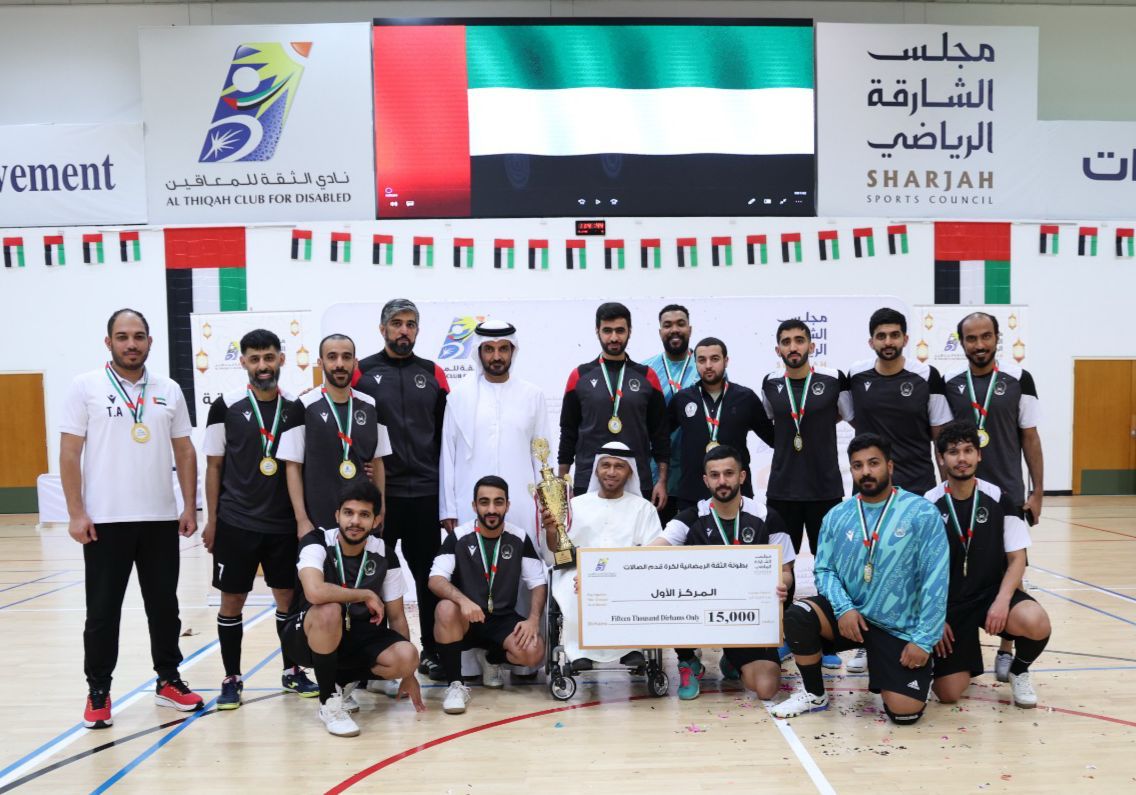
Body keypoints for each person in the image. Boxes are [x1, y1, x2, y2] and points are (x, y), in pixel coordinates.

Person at [60, 308, 203, 729]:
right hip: (105, 521)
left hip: (159, 519)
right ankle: (99, 690)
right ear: (109, 342)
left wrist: (188, 506)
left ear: (150, 342)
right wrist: (76, 513)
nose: (131, 343)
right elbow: (70, 452)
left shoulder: (169, 389)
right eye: (122, 336)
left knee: (165, 608)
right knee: (102, 612)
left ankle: (169, 680)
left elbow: (185, 450)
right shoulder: (84, 387)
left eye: (139, 336)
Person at [772, 434, 948, 725]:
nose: (865, 471)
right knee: (799, 614)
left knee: (905, 713)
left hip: (899, 628)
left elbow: (935, 579)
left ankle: (912, 669)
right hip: (853, 620)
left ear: (890, 466)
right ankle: (814, 693)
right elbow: (824, 570)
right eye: (857, 465)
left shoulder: (921, 512)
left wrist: (924, 640)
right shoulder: (837, 516)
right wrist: (844, 609)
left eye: (873, 463)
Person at [203, 329, 318, 708]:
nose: (263, 366)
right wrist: (212, 520)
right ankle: (232, 677)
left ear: (281, 359)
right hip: (236, 522)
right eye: (255, 359)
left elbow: (299, 466)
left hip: (282, 524)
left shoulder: (295, 409)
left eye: (269, 357)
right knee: (231, 601)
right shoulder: (225, 406)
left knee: (287, 599)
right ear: (243, 363)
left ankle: (291, 671)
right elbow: (215, 465)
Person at [844, 307, 951, 674]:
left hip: (917, 485)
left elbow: (940, 436)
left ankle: (921, 634)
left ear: (906, 339)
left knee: (915, 568)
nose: (887, 342)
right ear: (871, 340)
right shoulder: (856, 376)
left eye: (894, 335)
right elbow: (856, 421)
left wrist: (943, 487)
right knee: (867, 563)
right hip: (870, 490)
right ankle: (865, 643)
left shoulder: (926, 375)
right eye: (881, 336)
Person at [438, 319, 547, 680]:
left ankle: (511, 655)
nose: (496, 356)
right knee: (469, 577)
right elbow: (448, 456)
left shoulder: (532, 395)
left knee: (519, 577)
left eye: (503, 349)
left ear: (513, 351)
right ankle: (470, 660)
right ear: (479, 352)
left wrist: (546, 504)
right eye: (489, 349)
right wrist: (449, 509)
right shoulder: (460, 398)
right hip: (472, 502)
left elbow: (542, 453)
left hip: (521, 502)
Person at [280, 480, 425, 737]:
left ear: (376, 521)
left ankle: (343, 683)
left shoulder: (384, 554)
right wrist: (364, 594)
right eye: (348, 513)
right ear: (337, 515)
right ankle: (329, 704)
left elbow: (397, 616)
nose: (354, 521)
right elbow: (314, 591)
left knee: (407, 655)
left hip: (357, 634)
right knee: (329, 609)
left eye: (364, 515)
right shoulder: (316, 542)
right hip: (306, 635)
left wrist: (408, 674)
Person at [943, 312, 1043, 679]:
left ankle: (1007, 649)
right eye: (972, 338)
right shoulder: (951, 384)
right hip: (963, 499)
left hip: (1009, 497)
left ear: (998, 338)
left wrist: (1038, 492)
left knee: (1014, 570)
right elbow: (942, 442)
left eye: (986, 337)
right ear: (961, 343)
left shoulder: (1019, 379)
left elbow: (1030, 437)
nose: (980, 344)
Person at [649, 445, 793, 700]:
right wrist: (600, 577)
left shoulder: (767, 517)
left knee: (765, 688)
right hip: (700, 612)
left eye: (729, 473)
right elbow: (649, 554)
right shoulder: (690, 517)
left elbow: (786, 571)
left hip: (747, 618)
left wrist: (781, 583)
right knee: (668, 587)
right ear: (706, 480)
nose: (722, 481)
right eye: (715, 475)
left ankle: (733, 658)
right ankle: (687, 660)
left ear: (742, 477)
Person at [354, 298, 451, 679]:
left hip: (426, 494)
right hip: (381, 498)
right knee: (372, 578)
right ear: (382, 329)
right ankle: (369, 655)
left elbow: (447, 437)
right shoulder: (362, 373)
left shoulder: (433, 373)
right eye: (396, 323)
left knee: (429, 578)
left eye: (411, 324)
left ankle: (432, 652)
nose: (404, 330)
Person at [926, 421, 1051, 709]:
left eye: (969, 450)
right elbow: (920, 569)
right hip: (950, 605)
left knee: (1036, 621)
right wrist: (934, 616)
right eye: (954, 452)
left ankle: (1019, 669)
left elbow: (1017, 558)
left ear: (979, 456)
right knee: (947, 694)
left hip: (990, 596)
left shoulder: (1000, 499)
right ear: (942, 459)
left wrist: (1002, 601)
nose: (962, 458)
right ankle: (965, 659)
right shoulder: (929, 504)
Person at [761, 319, 851, 668]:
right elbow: (775, 422)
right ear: (778, 350)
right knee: (782, 569)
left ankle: (826, 640)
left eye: (800, 340)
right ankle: (785, 636)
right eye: (786, 341)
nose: (793, 347)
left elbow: (846, 415)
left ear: (812, 346)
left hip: (824, 490)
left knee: (826, 568)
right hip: (782, 491)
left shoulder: (832, 380)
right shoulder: (770, 384)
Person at [429, 476, 547, 714]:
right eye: (484, 502)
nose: (491, 509)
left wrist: (533, 619)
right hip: (467, 618)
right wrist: (462, 601)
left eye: (498, 502)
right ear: (474, 506)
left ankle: (492, 659)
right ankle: (455, 685)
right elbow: (435, 579)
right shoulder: (458, 537)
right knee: (445, 608)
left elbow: (538, 582)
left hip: (502, 620)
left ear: (507, 505)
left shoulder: (519, 538)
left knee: (534, 652)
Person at [542, 441, 662, 668]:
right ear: (596, 469)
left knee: (632, 588)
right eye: (605, 465)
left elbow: (652, 554)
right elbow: (558, 553)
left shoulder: (643, 508)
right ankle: (579, 653)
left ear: (630, 472)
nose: (611, 472)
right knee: (574, 590)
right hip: (578, 573)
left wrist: (617, 574)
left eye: (619, 466)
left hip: (628, 574)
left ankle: (632, 648)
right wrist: (551, 530)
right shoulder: (574, 505)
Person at [558, 302, 669, 508]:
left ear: (630, 332)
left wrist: (661, 481)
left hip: (637, 479)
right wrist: (562, 482)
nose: (614, 337)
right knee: (588, 540)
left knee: (636, 540)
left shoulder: (647, 377)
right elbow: (568, 432)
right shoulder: (579, 376)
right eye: (607, 331)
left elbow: (660, 434)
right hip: (588, 479)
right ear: (597, 331)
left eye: (620, 330)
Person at [278, 334, 391, 533]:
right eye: (332, 357)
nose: (339, 364)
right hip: (318, 517)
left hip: (361, 519)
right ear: (320, 362)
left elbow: (378, 462)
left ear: (355, 363)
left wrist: (381, 508)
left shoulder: (371, 405)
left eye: (346, 357)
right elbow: (292, 467)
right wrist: (301, 520)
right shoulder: (303, 405)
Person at [666, 337, 773, 509]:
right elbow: (660, 438)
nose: (708, 365)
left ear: (726, 361)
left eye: (714, 359)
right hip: (692, 496)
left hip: (737, 494)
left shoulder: (746, 398)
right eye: (702, 360)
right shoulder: (682, 399)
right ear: (695, 364)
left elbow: (774, 438)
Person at [643, 304, 699, 524]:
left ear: (690, 329)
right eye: (668, 325)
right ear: (660, 332)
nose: (674, 329)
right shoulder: (646, 370)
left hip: (696, 473)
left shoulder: (705, 367)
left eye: (680, 324)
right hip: (657, 475)